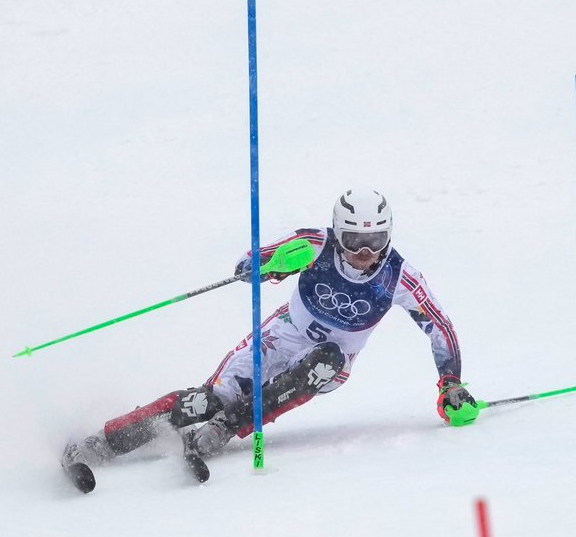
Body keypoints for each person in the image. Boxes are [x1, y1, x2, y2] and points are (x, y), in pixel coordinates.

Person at [60, 187, 477, 488]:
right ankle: (102, 443)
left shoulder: (400, 276)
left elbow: (438, 326)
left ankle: (226, 428)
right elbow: (248, 264)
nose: (365, 253)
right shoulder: (316, 244)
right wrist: (268, 266)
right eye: (354, 241)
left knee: (326, 360)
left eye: (375, 241)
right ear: (338, 233)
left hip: (329, 361)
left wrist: (451, 384)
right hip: (280, 337)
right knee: (205, 400)